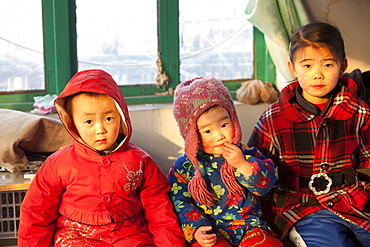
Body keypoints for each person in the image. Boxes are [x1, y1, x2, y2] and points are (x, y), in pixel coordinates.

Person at [18, 69, 185, 246]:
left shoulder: (140, 161)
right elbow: (36, 213)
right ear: (72, 123)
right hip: (76, 236)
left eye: (108, 118)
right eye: (89, 121)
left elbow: (160, 211)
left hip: (128, 235)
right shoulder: (58, 164)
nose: (100, 129)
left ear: (121, 118)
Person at [248, 22, 370, 247]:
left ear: (343, 66)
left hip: (352, 202)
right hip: (302, 207)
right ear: (292, 68)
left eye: (328, 64)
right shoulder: (274, 118)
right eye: (307, 65)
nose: (317, 74)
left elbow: (367, 163)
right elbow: (256, 171)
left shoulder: (359, 112)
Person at [168, 76, 283, 247]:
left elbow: (266, 186)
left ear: (233, 120)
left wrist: (243, 165)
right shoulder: (183, 167)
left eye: (224, 125)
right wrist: (196, 229)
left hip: (249, 228)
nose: (219, 136)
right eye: (207, 131)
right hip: (211, 231)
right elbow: (179, 201)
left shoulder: (246, 153)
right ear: (192, 136)